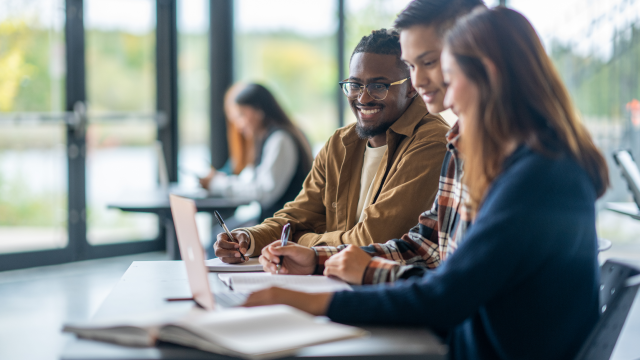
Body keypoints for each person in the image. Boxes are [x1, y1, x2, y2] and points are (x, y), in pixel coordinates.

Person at [245, 6, 609, 360]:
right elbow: (428, 245)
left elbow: (446, 296)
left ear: (488, 74)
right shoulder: (479, 152)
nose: (439, 93)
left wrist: (313, 300)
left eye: (444, 74)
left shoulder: (541, 175)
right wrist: (319, 259)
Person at [261, 0, 485, 285]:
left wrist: (310, 248)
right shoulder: (460, 144)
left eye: (430, 63)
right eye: (413, 66)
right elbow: (422, 248)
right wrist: (316, 258)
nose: (419, 81)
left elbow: (458, 287)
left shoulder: (512, 156)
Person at [214, 29, 451, 263]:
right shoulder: (341, 143)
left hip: (388, 289)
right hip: (332, 279)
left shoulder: (431, 142)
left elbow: (372, 240)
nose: (363, 98)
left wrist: (299, 241)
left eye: (379, 86)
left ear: (411, 86)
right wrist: (248, 238)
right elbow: (296, 216)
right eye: (355, 85)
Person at [199, 83, 314, 221]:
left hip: (284, 227)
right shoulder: (265, 139)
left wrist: (217, 184)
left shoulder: (280, 139)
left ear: (259, 111)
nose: (239, 125)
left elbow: (265, 192)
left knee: (220, 238)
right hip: (275, 223)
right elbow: (251, 180)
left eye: (241, 115)